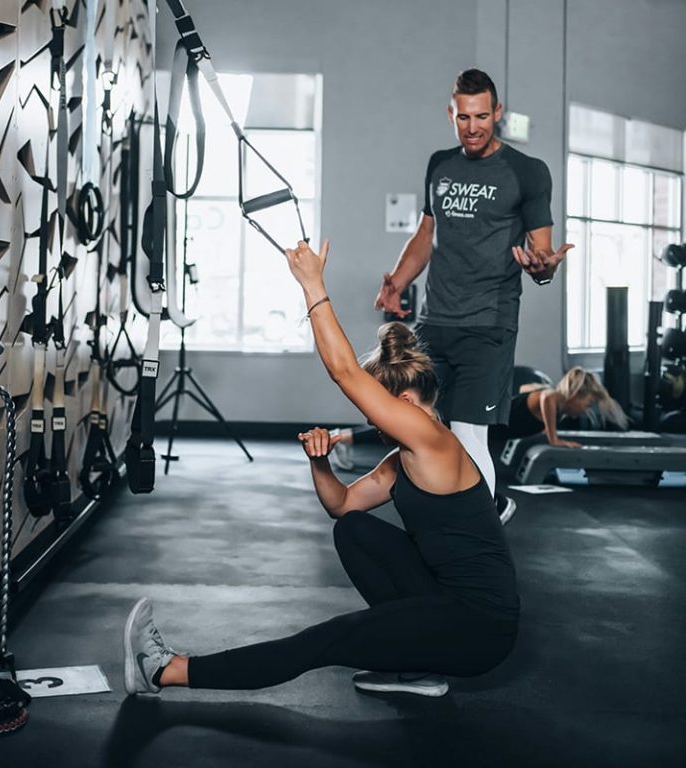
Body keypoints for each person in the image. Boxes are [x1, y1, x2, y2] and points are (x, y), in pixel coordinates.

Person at [123, 240, 519, 699]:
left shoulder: (433, 440)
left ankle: (162, 671)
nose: (372, 425)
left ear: (405, 404)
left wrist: (312, 283)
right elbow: (343, 505)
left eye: (378, 414)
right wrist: (319, 463)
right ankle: (417, 666)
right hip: (448, 603)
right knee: (354, 530)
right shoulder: (405, 461)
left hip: (479, 630)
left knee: (326, 640)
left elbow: (345, 372)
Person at [373, 68, 574, 526]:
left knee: (467, 431)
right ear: (451, 114)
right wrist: (399, 281)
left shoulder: (527, 172)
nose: (473, 127)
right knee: (417, 423)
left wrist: (543, 268)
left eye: (482, 116)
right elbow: (427, 234)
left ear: (497, 113)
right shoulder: (439, 164)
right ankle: (451, 518)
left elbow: (542, 250)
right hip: (435, 320)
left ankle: (483, 526)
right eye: (463, 118)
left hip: (489, 322)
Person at [494, 366, 629, 446]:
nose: (586, 411)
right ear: (575, 395)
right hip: (486, 425)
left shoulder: (553, 410)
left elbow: (523, 388)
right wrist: (554, 439)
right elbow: (547, 397)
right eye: (588, 404)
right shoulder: (552, 396)